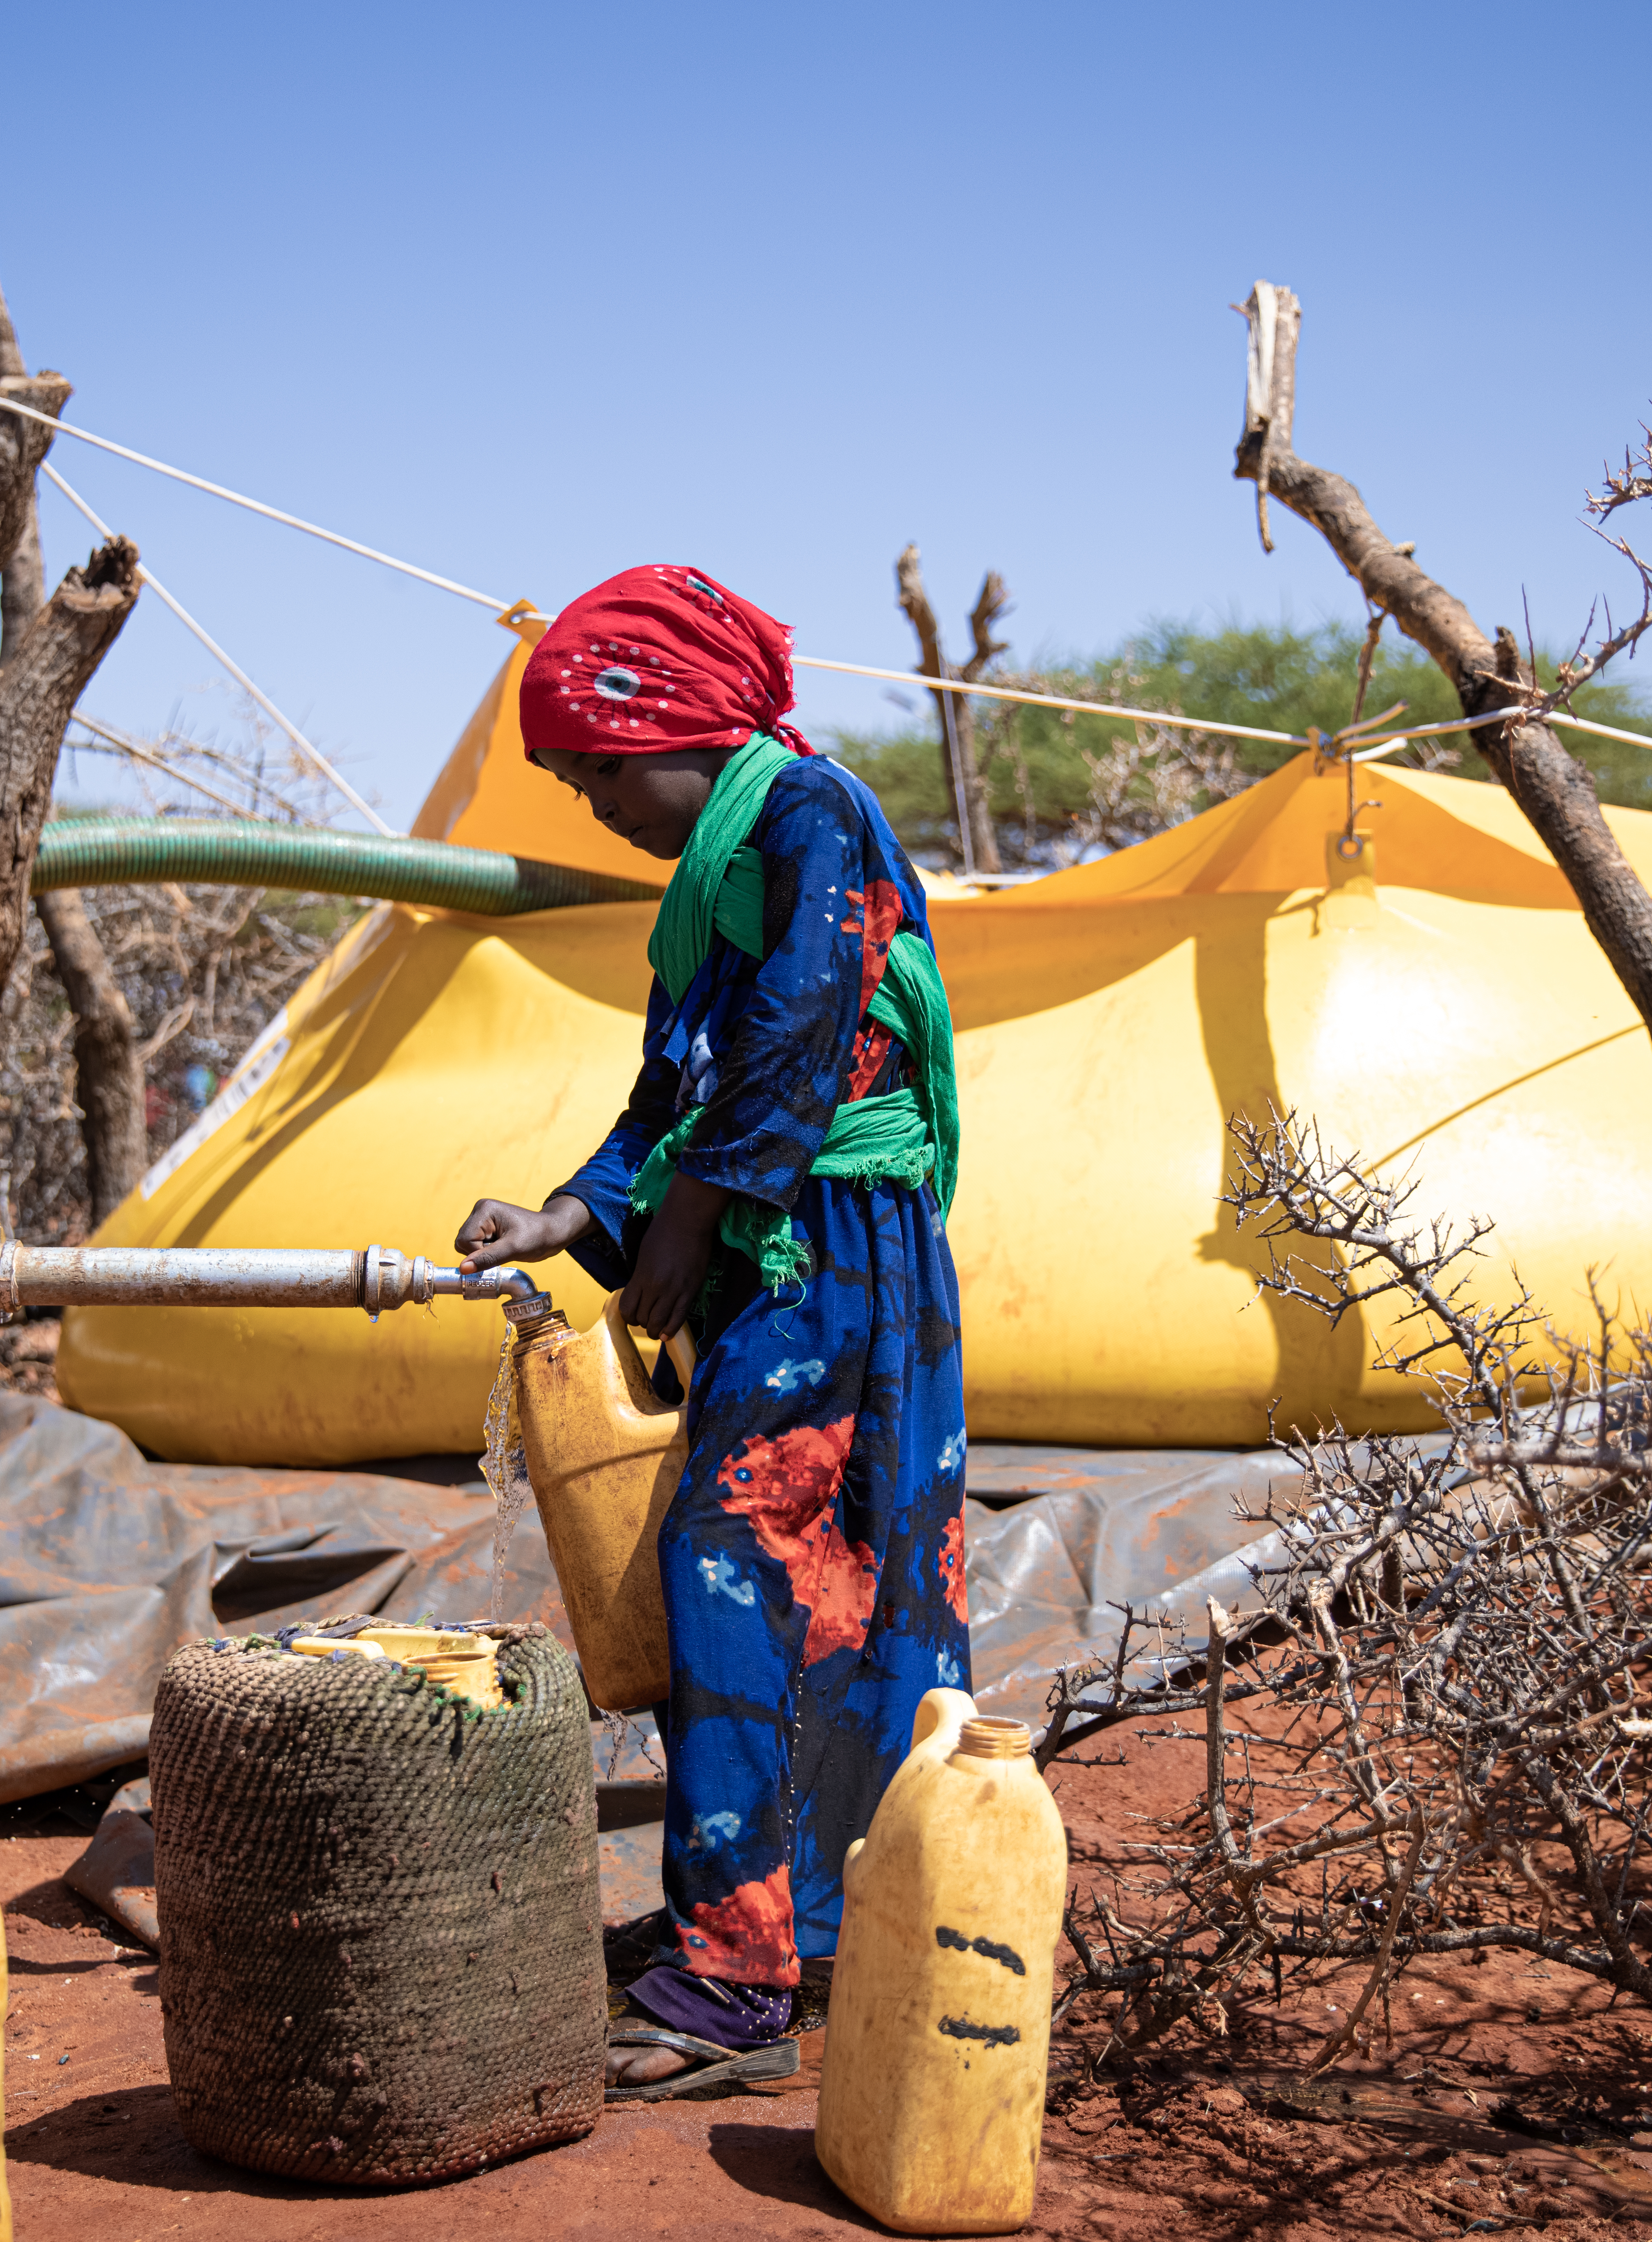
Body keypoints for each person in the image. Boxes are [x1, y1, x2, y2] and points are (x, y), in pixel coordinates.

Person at [455, 564, 968, 2098]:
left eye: (603, 772)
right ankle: (797, 1932)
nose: (597, 805)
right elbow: (671, 1085)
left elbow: (802, 1032)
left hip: (833, 1250)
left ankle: (741, 1979)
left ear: (675, 725)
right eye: (574, 784)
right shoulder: (706, 886)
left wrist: (688, 1218)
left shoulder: (810, 813)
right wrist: (577, 1214)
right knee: (827, 1582)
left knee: (742, 1558)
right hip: (780, 1248)